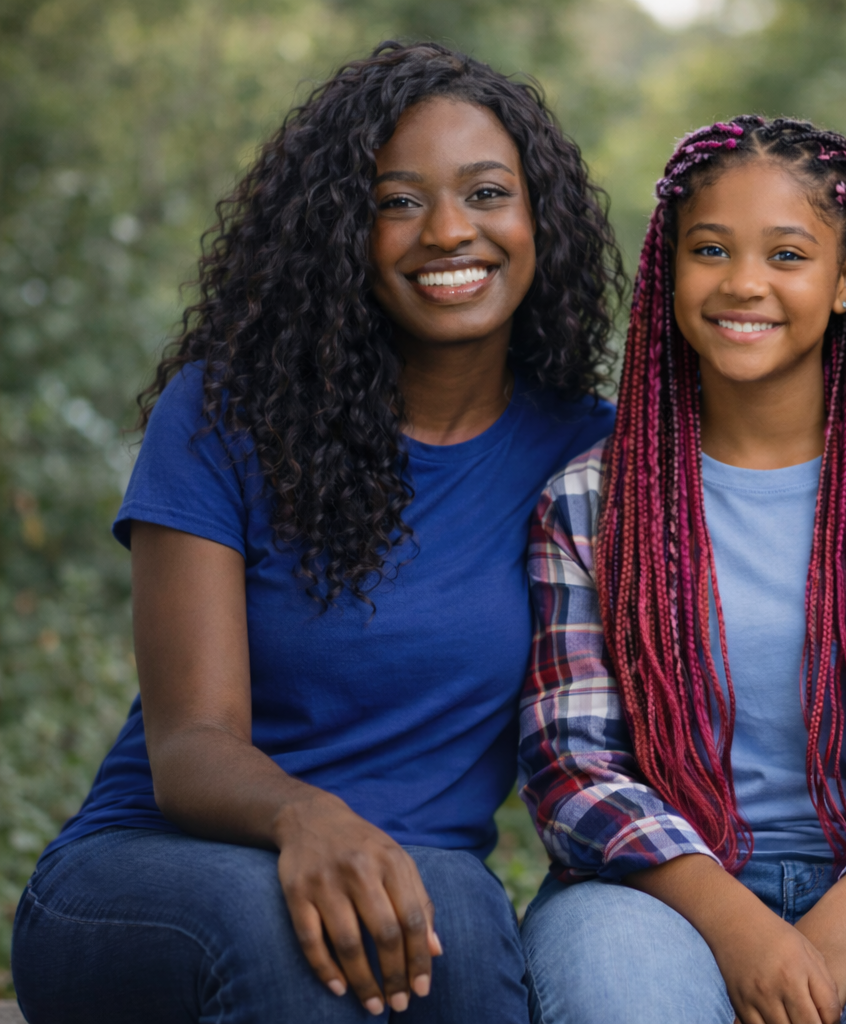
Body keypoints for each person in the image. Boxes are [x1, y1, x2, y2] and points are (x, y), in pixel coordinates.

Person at [11, 41, 624, 1024]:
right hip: (156, 871)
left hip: (417, 874)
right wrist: (308, 818)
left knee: (463, 921)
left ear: (539, 218)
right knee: (281, 938)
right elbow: (191, 744)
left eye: (486, 194)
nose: (449, 230)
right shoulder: (226, 415)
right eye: (397, 202)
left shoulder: (590, 452)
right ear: (343, 231)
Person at [516, 115, 846, 1024]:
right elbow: (573, 764)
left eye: (787, 255)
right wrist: (739, 929)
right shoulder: (591, 499)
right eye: (709, 249)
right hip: (657, 889)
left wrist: (845, 922)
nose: (743, 282)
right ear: (669, 267)